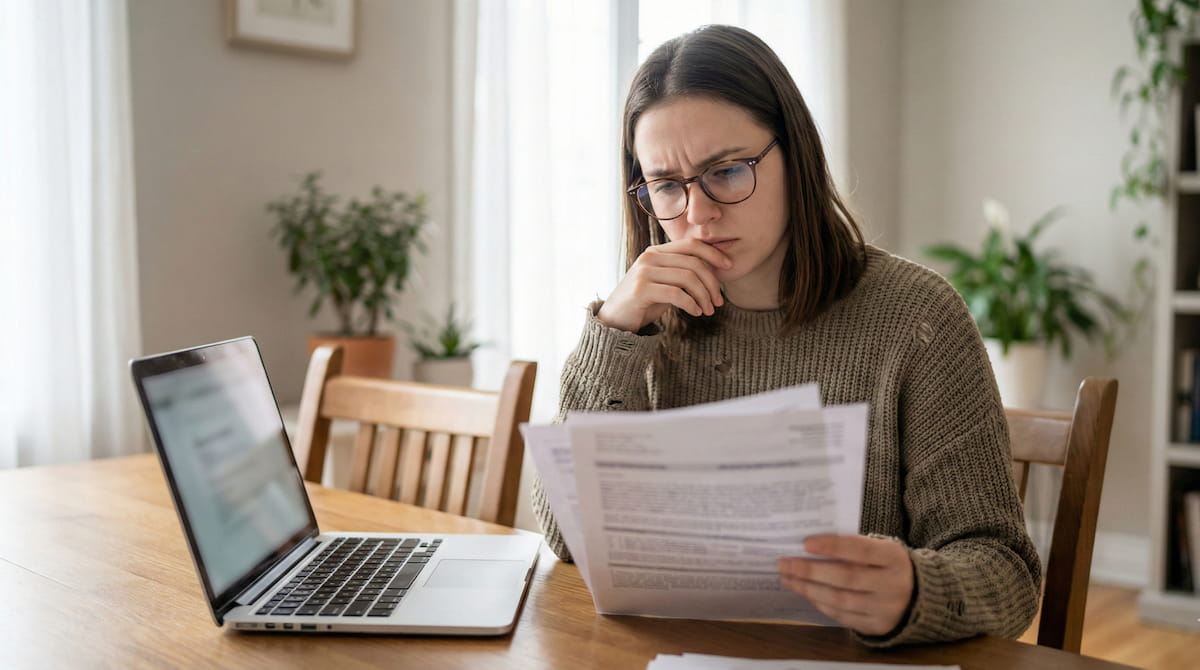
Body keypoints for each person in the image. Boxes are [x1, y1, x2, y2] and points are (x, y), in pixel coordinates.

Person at [531, 24, 1041, 648]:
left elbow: (1005, 573)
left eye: (726, 171)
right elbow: (563, 535)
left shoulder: (917, 317)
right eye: (665, 185)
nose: (697, 214)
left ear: (794, 154)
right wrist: (612, 331)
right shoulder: (643, 321)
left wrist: (913, 591)